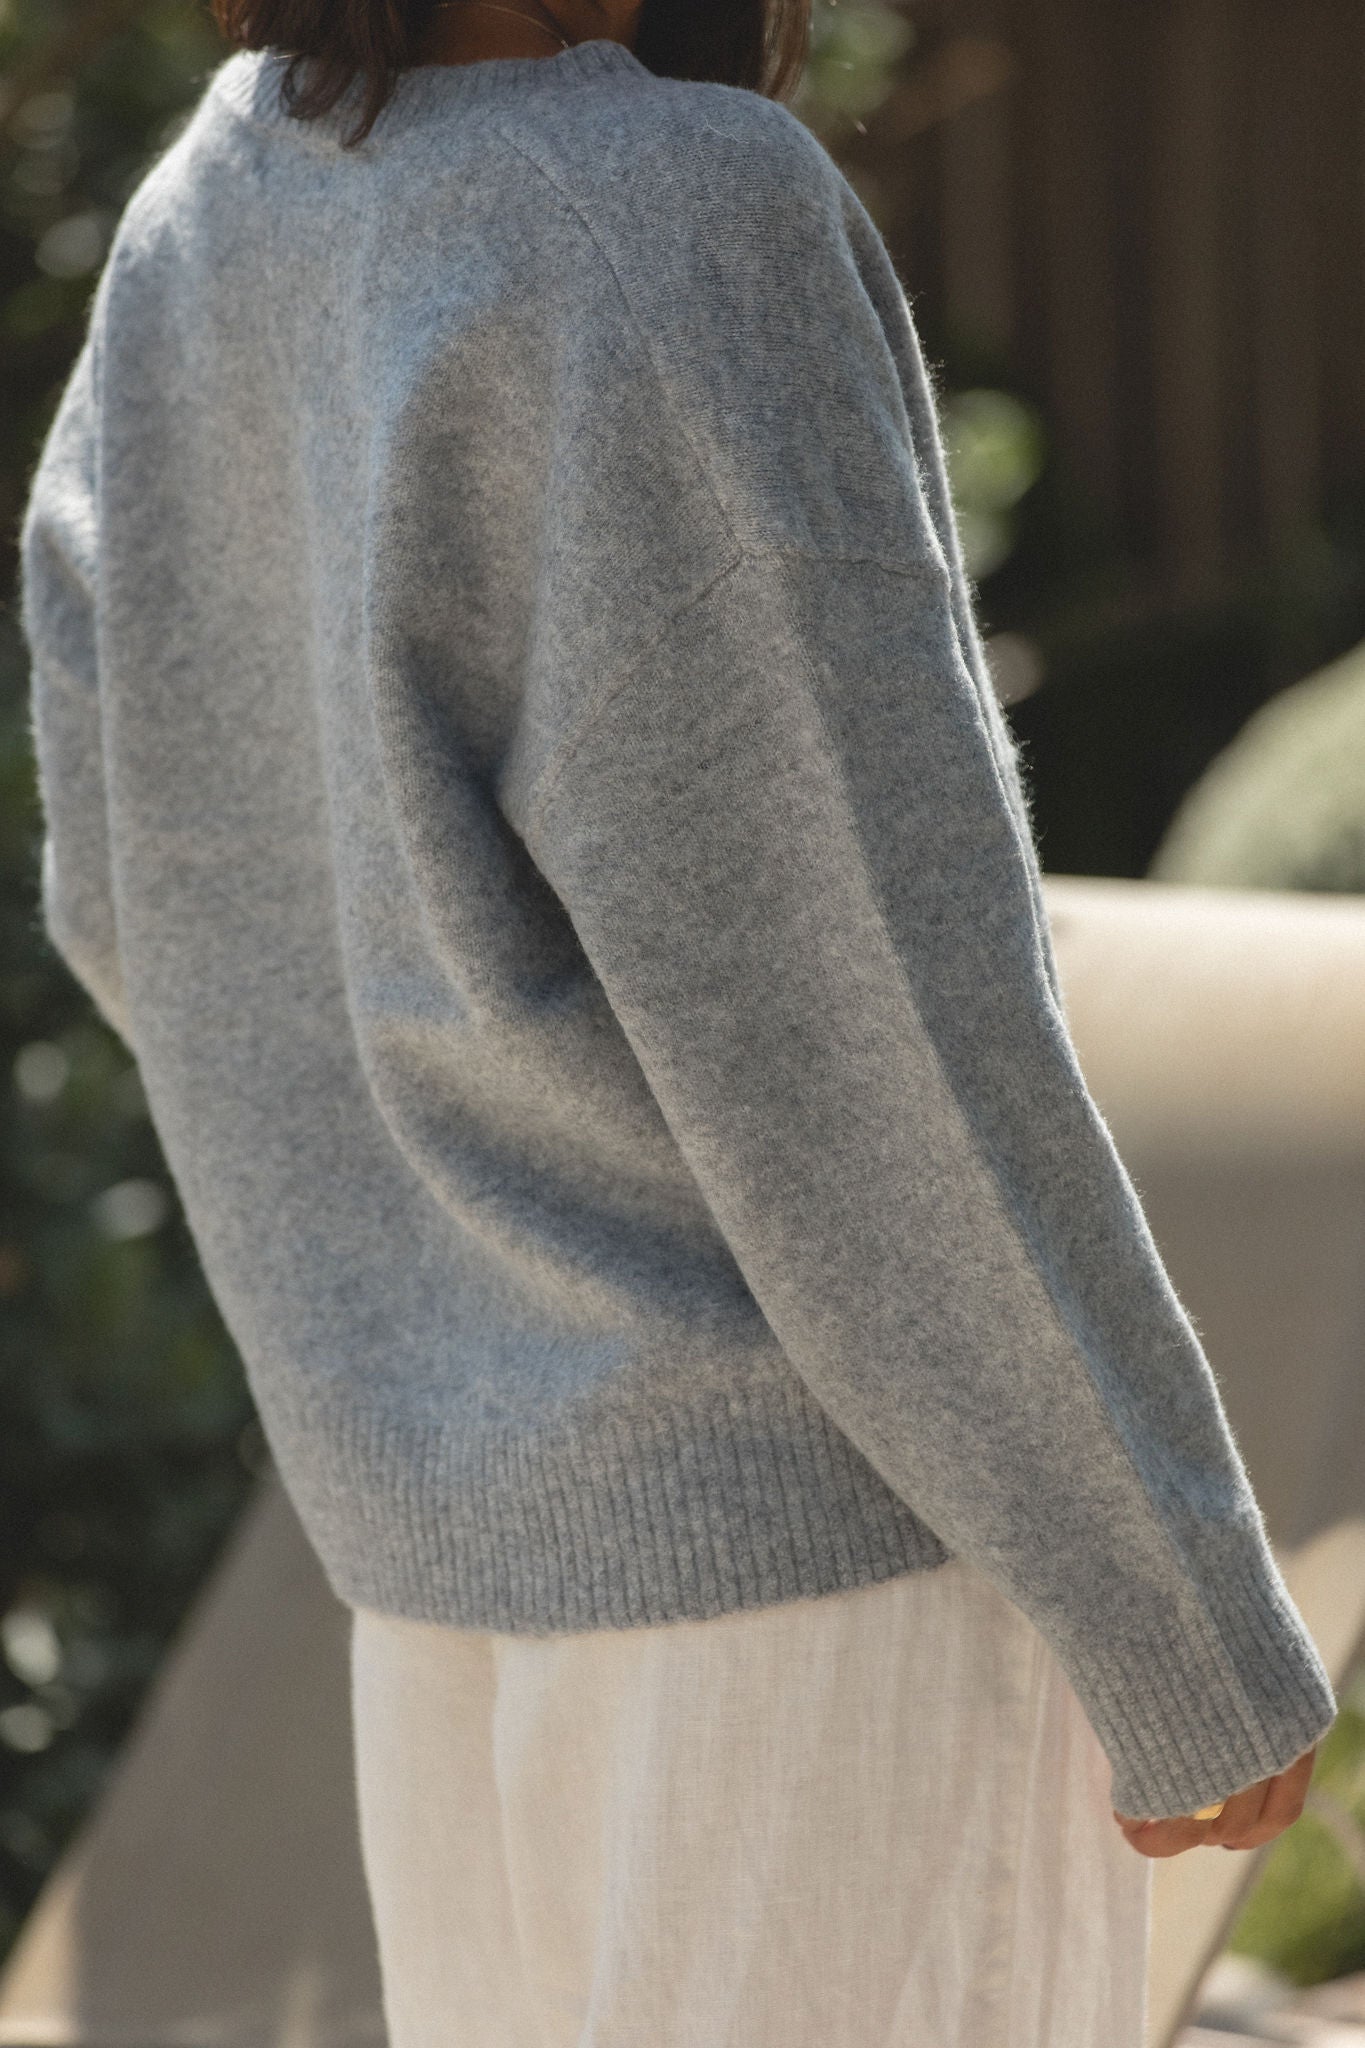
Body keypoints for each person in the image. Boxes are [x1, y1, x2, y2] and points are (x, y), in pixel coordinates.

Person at [18, 0, 1334, 2039]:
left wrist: (418, 1288)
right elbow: (867, 1012)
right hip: (816, 1607)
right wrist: (1168, 1609)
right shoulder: (664, 211)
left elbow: (129, 898)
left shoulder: (214, 209)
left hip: (436, 1592)